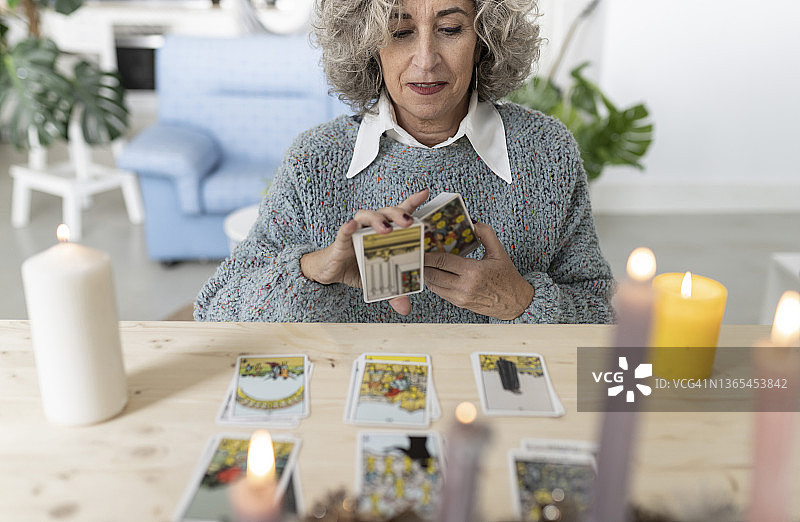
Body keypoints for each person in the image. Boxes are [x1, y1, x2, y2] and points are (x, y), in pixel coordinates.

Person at [194, 0, 614, 323]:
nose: (426, 59)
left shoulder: (547, 151)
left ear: (485, 38)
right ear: (366, 41)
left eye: (450, 29)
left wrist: (521, 300)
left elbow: (602, 316)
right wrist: (315, 270)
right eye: (399, 31)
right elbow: (215, 310)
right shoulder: (315, 160)